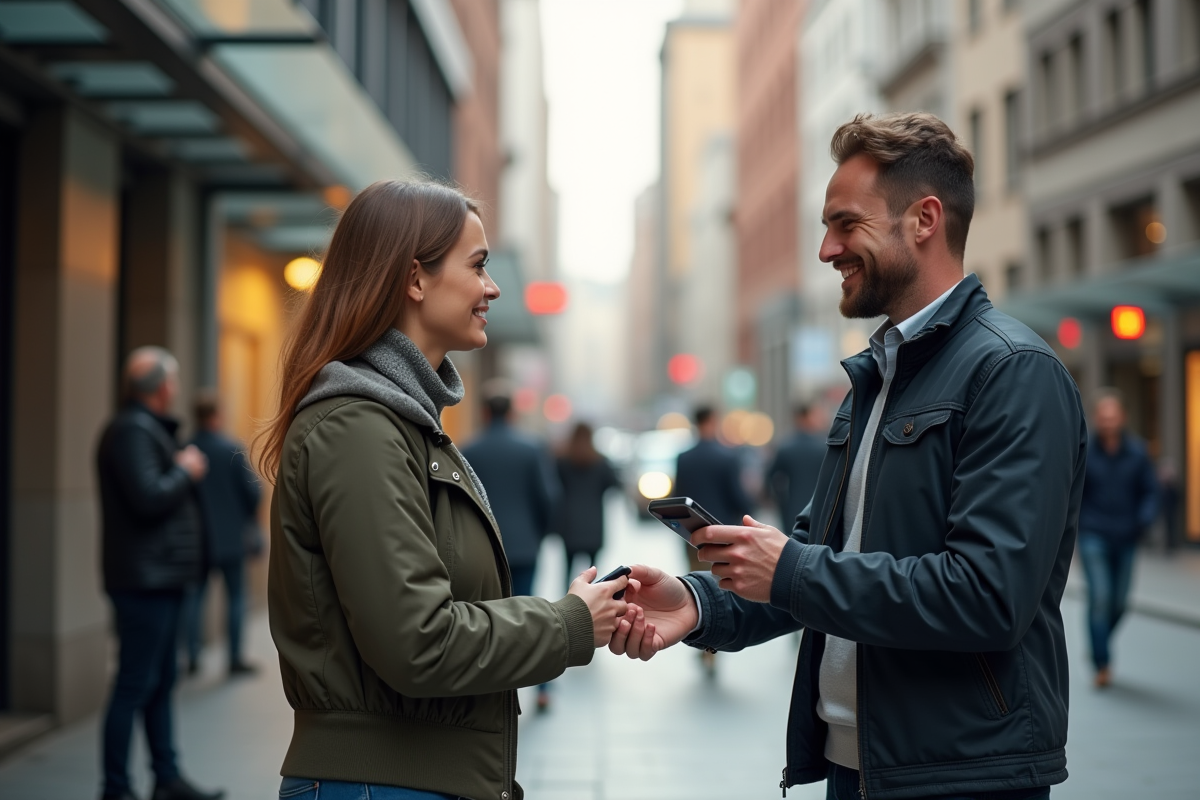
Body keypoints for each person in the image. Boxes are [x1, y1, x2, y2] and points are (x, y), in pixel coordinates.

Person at [610, 112, 1086, 800]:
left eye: (846, 224)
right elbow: (823, 553)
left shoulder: (1012, 373)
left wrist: (793, 567)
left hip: (963, 775)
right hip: (858, 767)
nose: (827, 250)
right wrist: (697, 603)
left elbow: (988, 596)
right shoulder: (877, 377)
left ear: (924, 220)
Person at [259, 180, 629, 800]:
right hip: (380, 784)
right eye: (478, 265)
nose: (493, 288)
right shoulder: (359, 427)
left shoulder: (403, 424)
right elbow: (416, 643)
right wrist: (569, 624)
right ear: (414, 279)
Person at [96, 347, 224, 800]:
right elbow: (148, 496)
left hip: (158, 578)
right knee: (134, 683)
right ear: (163, 386)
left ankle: (166, 777)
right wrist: (185, 471)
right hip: (143, 580)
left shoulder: (141, 428)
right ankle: (116, 787)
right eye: (172, 380)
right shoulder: (132, 430)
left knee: (160, 680)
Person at [463, 389, 561, 710]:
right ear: (512, 414)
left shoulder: (468, 450)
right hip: (524, 545)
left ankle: (496, 688)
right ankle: (543, 688)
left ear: (486, 413)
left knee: (488, 617)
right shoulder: (531, 449)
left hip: (482, 548)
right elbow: (547, 497)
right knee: (530, 611)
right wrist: (539, 533)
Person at [1078, 389, 1158, 688]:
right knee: (1100, 597)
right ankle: (1102, 663)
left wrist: (1145, 518)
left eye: (1113, 416)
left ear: (1122, 417)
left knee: (1120, 603)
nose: (1108, 421)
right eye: (1103, 416)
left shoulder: (1137, 453)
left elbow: (1151, 491)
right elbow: (1074, 491)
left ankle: (1098, 640)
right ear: (1097, 419)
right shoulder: (1086, 451)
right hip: (1093, 534)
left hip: (1126, 536)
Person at [180, 390, 262, 678]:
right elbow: (253, 494)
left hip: (197, 539)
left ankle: (190, 655)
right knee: (237, 597)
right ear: (217, 415)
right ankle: (235, 658)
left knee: (194, 598)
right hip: (231, 537)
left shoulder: (186, 450)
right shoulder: (231, 449)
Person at [673, 404, 754, 675]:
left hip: (692, 535)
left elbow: (678, 494)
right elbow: (739, 499)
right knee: (720, 588)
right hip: (722, 534)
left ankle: (702, 640)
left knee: (696, 589)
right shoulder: (727, 457)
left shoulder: (683, 457)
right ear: (713, 421)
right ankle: (712, 649)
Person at [553, 422, 621, 584]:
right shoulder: (600, 461)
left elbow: (553, 487)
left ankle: (568, 601)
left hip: (570, 521)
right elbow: (614, 484)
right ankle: (592, 602)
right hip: (593, 521)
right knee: (593, 570)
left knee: (567, 569)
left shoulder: (562, 461)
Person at [766, 404, 828, 532]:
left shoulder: (785, 447)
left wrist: (779, 499)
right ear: (805, 417)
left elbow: (769, 477)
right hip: (820, 508)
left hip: (791, 508)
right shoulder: (824, 447)